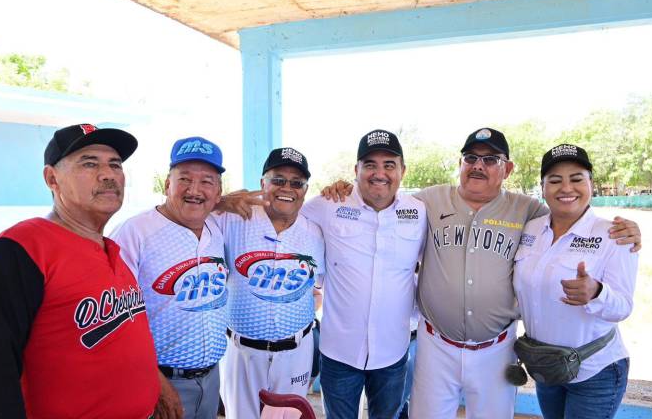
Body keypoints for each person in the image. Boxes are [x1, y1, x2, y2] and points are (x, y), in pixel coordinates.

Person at [319, 127, 640, 418]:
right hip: (435, 345)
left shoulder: (529, 211)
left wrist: (628, 230)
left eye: (491, 159)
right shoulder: (426, 201)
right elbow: (382, 198)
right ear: (460, 163)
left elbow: (570, 211)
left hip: (496, 349)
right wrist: (345, 190)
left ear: (508, 168)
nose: (478, 166)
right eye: (470, 158)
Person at [0, 123, 161, 418]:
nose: (108, 174)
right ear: (51, 178)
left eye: (115, 164)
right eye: (89, 163)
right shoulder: (18, 250)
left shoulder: (111, 249)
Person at [300, 130, 427, 418]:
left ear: (402, 171)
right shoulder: (329, 205)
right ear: (356, 170)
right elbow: (284, 209)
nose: (379, 173)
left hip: (394, 352)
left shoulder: (419, 212)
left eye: (389, 165)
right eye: (370, 164)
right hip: (339, 352)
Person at [513, 144, 638, 419]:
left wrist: (596, 293)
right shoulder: (531, 228)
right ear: (543, 187)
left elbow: (623, 306)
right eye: (555, 180)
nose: (566, 188)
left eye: (577, 179)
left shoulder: (614, 234)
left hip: (596, 372)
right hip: (547, 368)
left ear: (591, 183)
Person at [110, 136, 229, 419]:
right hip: (159, 381)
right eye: (184, 179)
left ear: (219, 191)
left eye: (207, 181)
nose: (195, 190)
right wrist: (155, 379)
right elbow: (114, 320)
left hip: (211, 378)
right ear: (167, 184)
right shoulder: (135, 232)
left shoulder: (218, 227)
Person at [216, 147, 325, 419]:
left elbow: (317, 288)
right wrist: (221, 200)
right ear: (262, 183)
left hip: (295, 352)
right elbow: (190, 211)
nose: (287, 187)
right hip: (242, 352)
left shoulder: (315, 233)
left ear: (305, 189)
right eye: (278, 179)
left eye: (296, 182)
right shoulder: (233, 218)